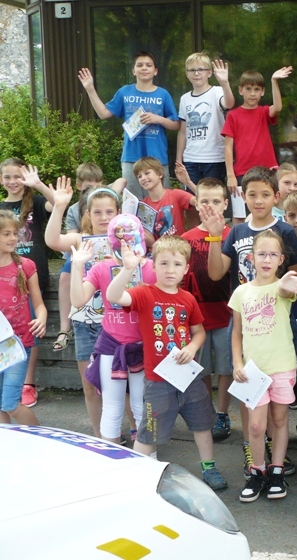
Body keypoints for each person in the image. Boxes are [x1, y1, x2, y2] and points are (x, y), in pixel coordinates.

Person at [202, 165, 297, 477]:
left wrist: (284, 287)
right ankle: (252, 446)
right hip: (244, 319)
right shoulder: (236, 232)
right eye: (252, 195)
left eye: (265, 194)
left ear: (276, 196)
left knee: (277, 397)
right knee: (250, 390)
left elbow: (296, 273)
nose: (258, 200)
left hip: (276, 322)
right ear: (242, 197)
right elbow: (216, 273)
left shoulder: (285, 230)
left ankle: (274, 453)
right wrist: (215, 236)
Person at [106, 235, 227, 491]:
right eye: (163, 263)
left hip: (189, 378)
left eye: (176, 264)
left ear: (186, 268)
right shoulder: (145, 294)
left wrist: (192, 348)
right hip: (158, 382)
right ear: (153, 265)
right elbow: (114, 296)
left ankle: (209, 467)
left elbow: (199, 332)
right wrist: (128, 269)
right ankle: (137, 473)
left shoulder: (188, 299)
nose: (170, 270)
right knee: (149, 431)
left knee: (202, 425)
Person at [230, 230, 297, 502]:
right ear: (251, 258)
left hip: (282, 366)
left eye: (273, 255)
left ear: (281, 259)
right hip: (252, 372)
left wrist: (289, 281)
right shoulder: (241, 292)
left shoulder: (281, 288)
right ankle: (257, 471)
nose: (267, 260)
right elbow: (236, 333)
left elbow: (285, 289)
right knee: (255, 426)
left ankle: (277, 470)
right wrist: (237, 362)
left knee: (279, 421)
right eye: (262, 254)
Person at [45, 179, 122, 438]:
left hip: (119, 324)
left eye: (109, 211)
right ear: (88, 214)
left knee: (124, 384)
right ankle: (101, 437)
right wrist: (59, 206)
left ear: (118, 212)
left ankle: (134, 432)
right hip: (85, 323)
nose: (103, 217)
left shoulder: (125, 240)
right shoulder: (80, 239)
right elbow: (52, 240)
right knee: (90, 384)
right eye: (97, 212)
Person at [71, 214, 154, 444]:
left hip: (143, 345)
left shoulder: (152, 269)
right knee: (112, 405)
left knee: (141, 405)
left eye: (130, 237)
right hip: (111, 344)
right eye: (120, 237)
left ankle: (147, 454)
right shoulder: (102, 268)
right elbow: (78, 299)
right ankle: (110, 455)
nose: (125, 242)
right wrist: (77, 266)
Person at [77, 51, 179, 199]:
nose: (144, 68)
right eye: (140, 65)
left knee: (161, 201)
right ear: (133, 71)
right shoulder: (124, 92)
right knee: (132, 201)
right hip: (131, 157)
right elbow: (103, 113)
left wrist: (158, 119)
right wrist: (90, 89)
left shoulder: (163, 94)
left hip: (157, 158)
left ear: (155, 71)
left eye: (148, 65)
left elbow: (176, 124)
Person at [181, 178, 233, 441]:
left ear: (225, 204)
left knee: (226, 367)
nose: (210, 206)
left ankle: (222, 412)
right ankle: (208, 412)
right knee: (201, 369)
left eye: (215, 201)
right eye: (204, 201)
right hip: (197, 319)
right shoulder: (186, 239)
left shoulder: (232, 235)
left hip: (226, 315)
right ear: (196, 204)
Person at [0, 159, 55, 408]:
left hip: (30, 276)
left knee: (28, 331)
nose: (13, 181)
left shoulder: (36, 202)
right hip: (4, 278)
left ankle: (28, 383)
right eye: (7, 177)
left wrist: (38, 184)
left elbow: (57, 204)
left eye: (17, 176)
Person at [222, 67, 293, 224]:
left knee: (267, 211)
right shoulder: (233, 115)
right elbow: (227, 147)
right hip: (241, 172)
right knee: (240, 214)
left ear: (262, 92)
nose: (252, 94)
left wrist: (274, 81)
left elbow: (278, 107)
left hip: (267, 170)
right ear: (240, 90)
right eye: (248, 89)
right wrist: (230, 174)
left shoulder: (263, 112)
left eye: (257, 89)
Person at [0, 209, 45, 426]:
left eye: (14, 233)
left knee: (10, 404)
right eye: (6, 234)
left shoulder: (25, 265)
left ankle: (41, 438)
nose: (12, 238)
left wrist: (41, 318)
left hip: (18, 344)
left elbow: (39, 305)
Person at [175, 54, 235, 188]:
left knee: (213, 196)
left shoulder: (217, 91)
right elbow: (183, 131)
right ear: (187, 73)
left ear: (209, 73)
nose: (196, 73)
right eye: (192, 70)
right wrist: (179, 159)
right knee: (192, 198)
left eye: (201, 69)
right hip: (190, 158)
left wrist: (225, 83)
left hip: (214, 158)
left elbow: (229, 103)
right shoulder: (184, 98)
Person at [136, 156, 197, 240]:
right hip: (157, 247)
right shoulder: (143, 206)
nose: (143, 178)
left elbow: (202, 201)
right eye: (139, 176)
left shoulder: (176, 194)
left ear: (160, 174)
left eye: (147, 173)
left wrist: (188, 182)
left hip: (180, 246)